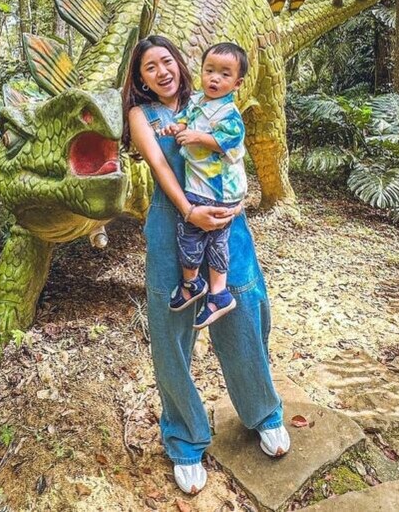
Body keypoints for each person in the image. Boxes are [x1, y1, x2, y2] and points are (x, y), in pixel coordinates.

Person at [122, 35, 289, 496]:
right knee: (172, 332)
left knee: (244, 312)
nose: (161, 71)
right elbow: (161, 168)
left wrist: (232, 201)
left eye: (166, 61)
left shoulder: (209, 100)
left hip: (225, 221)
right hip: (171, 223)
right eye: (149, 67)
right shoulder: (142, 116)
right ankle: (185, 438)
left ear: (180, 64)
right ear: (141, 78)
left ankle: (263, 412)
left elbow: (234, 150)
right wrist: (188, 211)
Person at [160, 42, 249, 329]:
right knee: (194, 235)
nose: (214, 78)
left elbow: (227, 142)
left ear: (237, 83)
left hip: (218, 189)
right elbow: (185, 120)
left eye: (224, 74)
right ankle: (198, 286)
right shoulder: (197, 100)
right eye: (209, 70)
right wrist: (176, 128)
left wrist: (197, 137)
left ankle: (213, 290)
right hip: (199, 187)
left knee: (210, 238)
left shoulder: (229, 114)